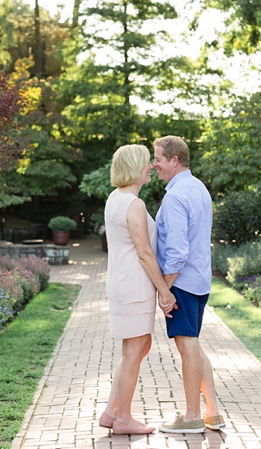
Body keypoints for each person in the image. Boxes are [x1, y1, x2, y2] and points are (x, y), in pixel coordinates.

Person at [99, 144, 176, 435]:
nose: (151, 167)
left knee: (139, 346)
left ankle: (111, 412)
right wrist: (165, 292)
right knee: (134, 349)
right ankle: (124, 419)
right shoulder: (134, 205)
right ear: (133, 167)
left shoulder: (115, 199)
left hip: (122, 283)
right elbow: (145, 253)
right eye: (147, 162)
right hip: (134, 286)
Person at [152, 135, 226, 434]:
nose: (154, 164)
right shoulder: (198, 188)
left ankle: (192, 415)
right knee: (193, 346)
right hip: (198, 281)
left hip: (182, 282)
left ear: (174, 160)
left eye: (158, 158)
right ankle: (213, 413)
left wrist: (165, 289)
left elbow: (178, 251)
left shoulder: (175, 196)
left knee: (189, 347)